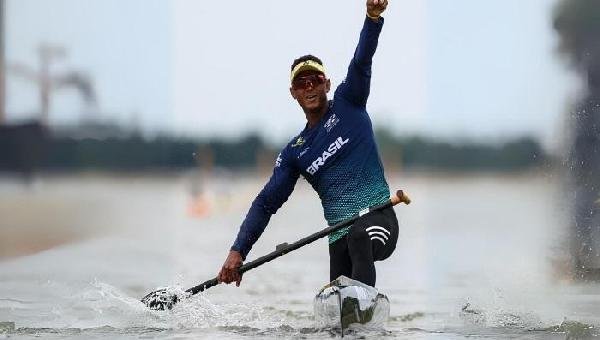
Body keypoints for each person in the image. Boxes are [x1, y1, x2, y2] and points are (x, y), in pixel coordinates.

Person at [218, 0, 396, 288]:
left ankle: (364, 311)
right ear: (293, 93)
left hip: (378, 218)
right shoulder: (295, 152)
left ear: (327, 84)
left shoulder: (349, 102)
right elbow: (265, 204)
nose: (309, 87)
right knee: (336, 293)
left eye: (315, 80)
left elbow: (362, 61)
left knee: (359, 236)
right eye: (302, 84)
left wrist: (372, 19)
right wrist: (238, 251)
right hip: (338, 235)